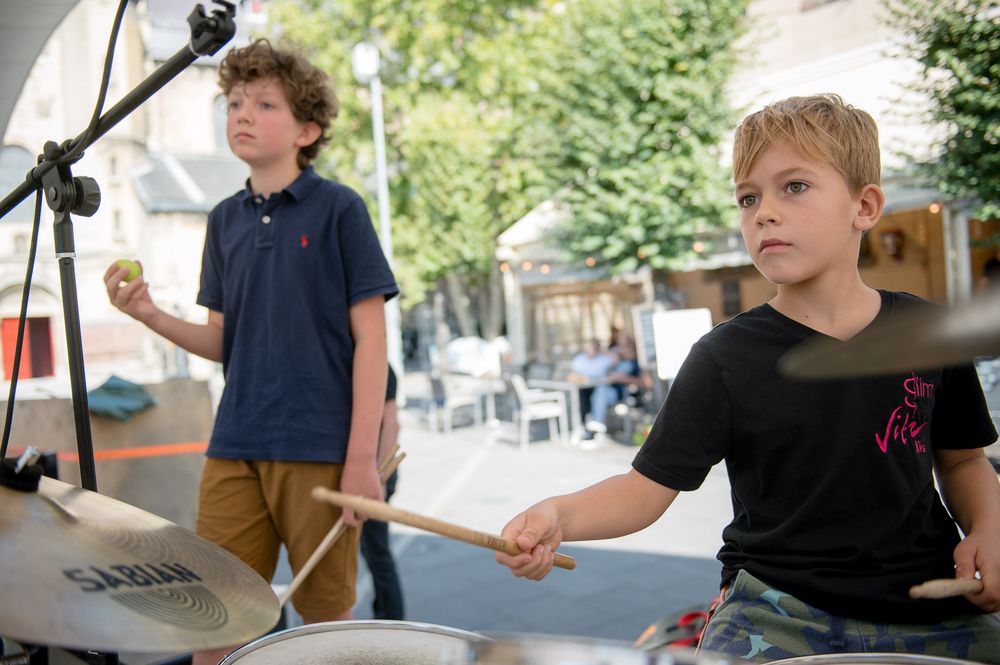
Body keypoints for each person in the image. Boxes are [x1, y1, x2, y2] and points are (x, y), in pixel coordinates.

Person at [495, 94, 1000, 663]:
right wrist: (560, 515)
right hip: (776, 609)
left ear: (865, 205)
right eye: (747, 197)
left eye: (795, 186)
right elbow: (645, 490)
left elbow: (962, 460)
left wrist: (989, 527)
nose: (763, 212)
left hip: (931, 605)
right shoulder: (722, 357)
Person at [104, 39, 398, 664]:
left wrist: (362, 458)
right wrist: (149, 313)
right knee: (214, 623)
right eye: (235, 101)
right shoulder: (222, 220)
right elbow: (221, 340)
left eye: (265, 103)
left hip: (320, 446)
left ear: (307, 129)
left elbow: (372, 340)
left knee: (326, 628)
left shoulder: (340, 208)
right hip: (234, 444)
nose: (241, 112)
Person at [360, 365, 405, 620]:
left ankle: (391, 619)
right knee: (373, 551)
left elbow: (391, 423)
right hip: (373, 473)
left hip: (376, 474)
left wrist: (378, 478)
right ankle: (386, 614)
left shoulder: (381, 367)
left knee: (377, 552)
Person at [568, 338, 616, 436]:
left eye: (594, 347)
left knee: (600, 393)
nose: (591, 350)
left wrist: (603, 351)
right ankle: (583, 426)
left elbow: (616, 358)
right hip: (584, 389)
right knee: (579, 397)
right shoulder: (579, 359)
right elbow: (571, 376)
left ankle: (596, 425)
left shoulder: (604, 359)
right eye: (590, 347)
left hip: (602, 390)